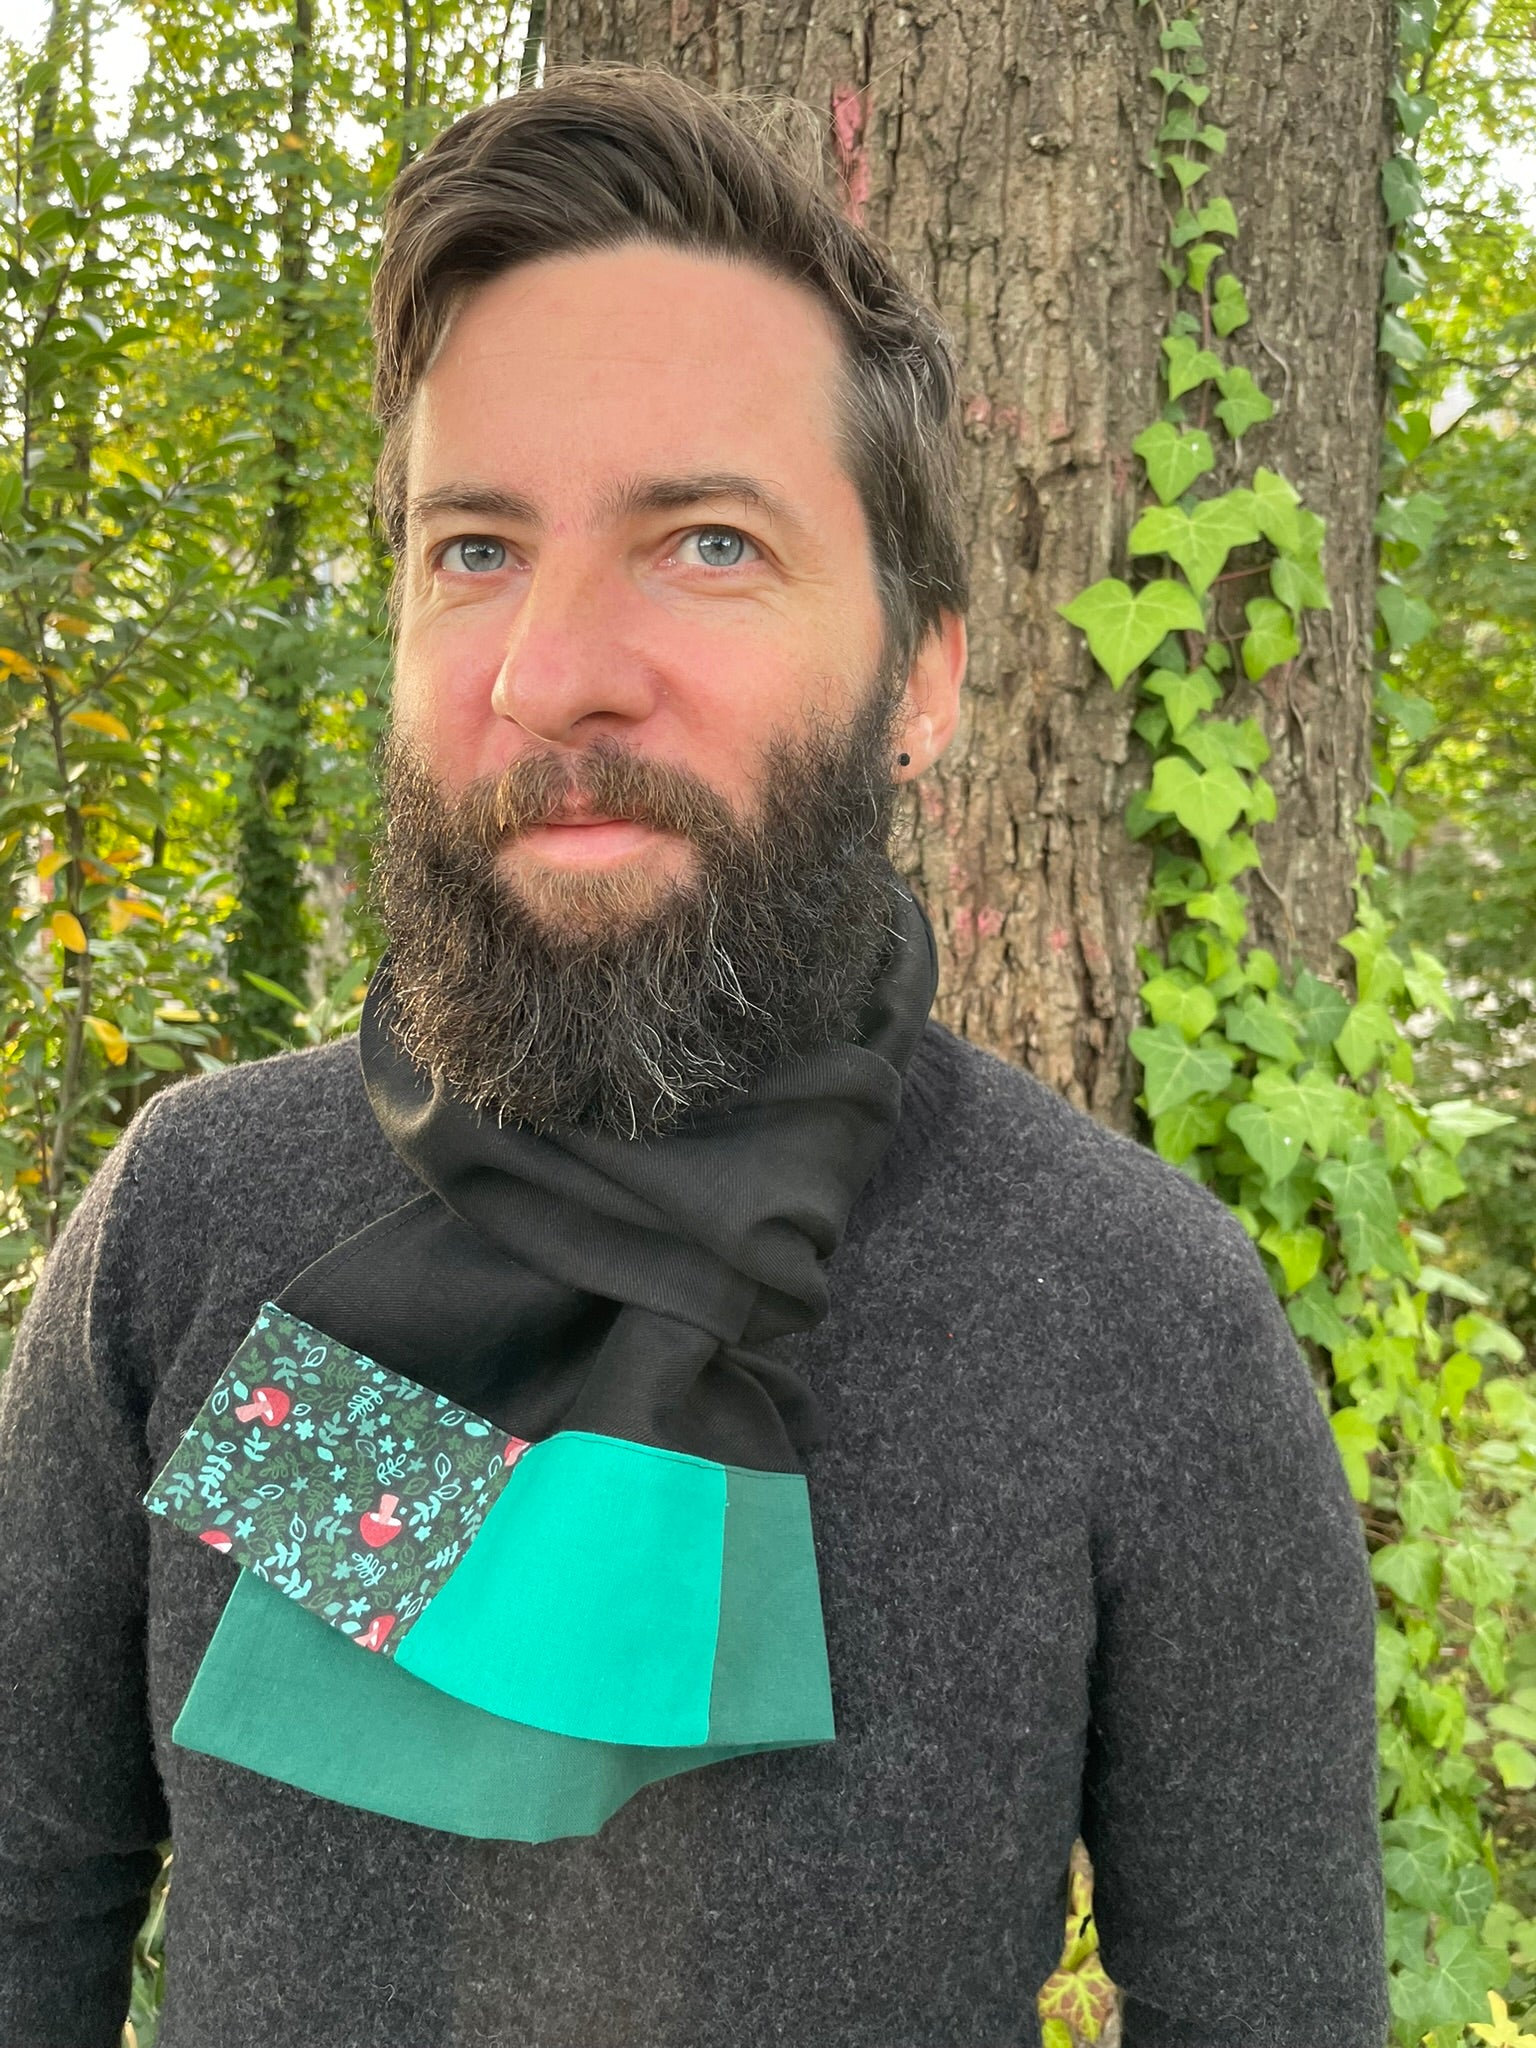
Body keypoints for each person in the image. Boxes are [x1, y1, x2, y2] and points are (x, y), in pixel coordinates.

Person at [0, 62, 1389, 2048]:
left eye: (710, 542)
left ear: (921, 676)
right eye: (475, 548)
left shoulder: (1132, 1314)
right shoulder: (193, 1225)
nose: (552, 670)